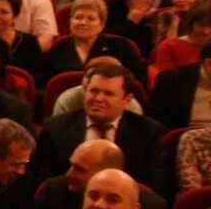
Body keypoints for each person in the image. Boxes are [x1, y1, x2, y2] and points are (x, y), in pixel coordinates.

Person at [32, 63, 163, 184]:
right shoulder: (55, 129)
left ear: (127, 100)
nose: (99, 99)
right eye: (94, 91)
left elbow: (152, 189)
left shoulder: (148, 134)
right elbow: (45, 185)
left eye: (108, 94)